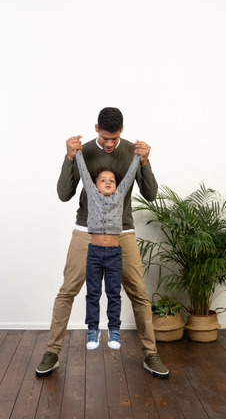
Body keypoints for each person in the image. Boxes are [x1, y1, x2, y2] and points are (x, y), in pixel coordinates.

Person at [36, 107, 169, 379]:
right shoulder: (83, 151)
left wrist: (145, 162)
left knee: (139, 295)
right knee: (67, 291)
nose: (109, 144)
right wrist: (68, 157)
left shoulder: (133, 151)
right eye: (105, 138)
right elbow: (64, 194)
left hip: (124, 233)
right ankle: (52, 352)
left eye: (115, 138)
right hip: (85, 231)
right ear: (96, 128)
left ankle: (150, 354)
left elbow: (151, 194)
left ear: (122, 130)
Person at [75, 148, 140, 350]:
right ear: (95, 185)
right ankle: (93, 330)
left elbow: (129, 176)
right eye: (103, 180)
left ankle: (114, 330)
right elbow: (84, 173)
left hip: (114, 255)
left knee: (114, 293)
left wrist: (138, 156)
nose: (108, 182)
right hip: (94, 253)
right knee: (93, 293)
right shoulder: (92, 195)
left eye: (111, 180)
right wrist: (77, 152)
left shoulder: (120, 195)